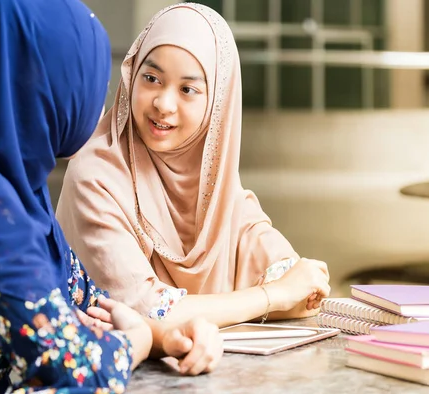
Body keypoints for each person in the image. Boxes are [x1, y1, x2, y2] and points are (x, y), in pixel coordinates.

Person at [0, 1, 222, 394]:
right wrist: (138, 341)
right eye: (88, 78)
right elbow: (84, 369)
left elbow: (83, 302)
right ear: (42, 85)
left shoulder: (5, 182)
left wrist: (164, 336)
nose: (99, 101)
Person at [56, 3, 331, 329]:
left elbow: (297, 285)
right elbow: (142, 312)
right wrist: (272, 298)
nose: (163, 103)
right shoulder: (96, 176)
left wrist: (289, 289)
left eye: (187, 89)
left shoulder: (218, 189)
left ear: (217, 102)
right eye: (151, 78)